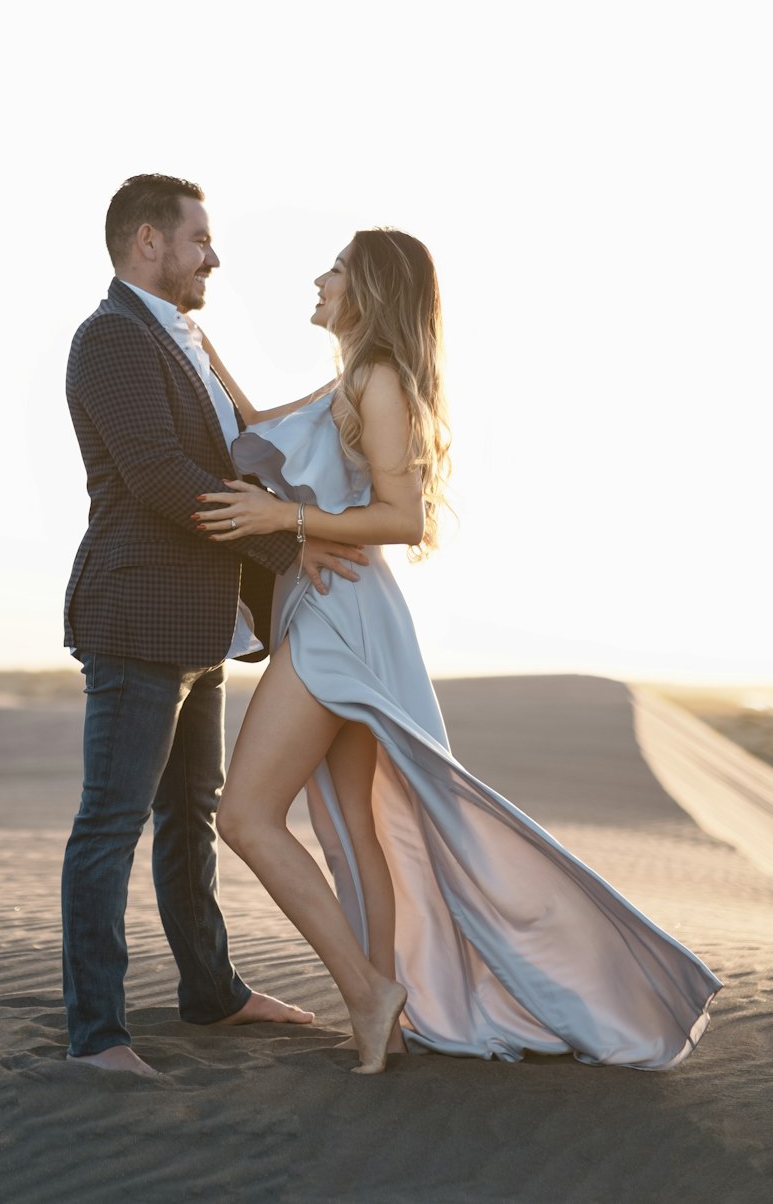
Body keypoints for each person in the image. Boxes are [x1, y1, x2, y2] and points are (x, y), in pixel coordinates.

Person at [194, 228, 722, 1075]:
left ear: (367, 288)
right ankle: (386, 1018)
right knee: (352, 829)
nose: (320, 278)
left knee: (248, 816)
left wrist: (284, 522)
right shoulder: (354, 377)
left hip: (342, 616)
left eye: (335, 268)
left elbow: (407, 519)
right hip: (328, 608)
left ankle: (371, 995)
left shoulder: (380, 381)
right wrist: (195, 343)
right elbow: (258, 424)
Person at [60, 173, 370, 1077]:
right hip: (137, 614)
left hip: (201, 623)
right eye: (200, 239)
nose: (214, 256)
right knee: (110, 823)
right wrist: (289, 548)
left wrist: (369, 377)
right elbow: (158, 474)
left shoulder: (186, 336)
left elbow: (253, 435)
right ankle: (97, 1037)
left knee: (189, 814)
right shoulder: (113, 338)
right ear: (148, 242)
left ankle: (213, 993)